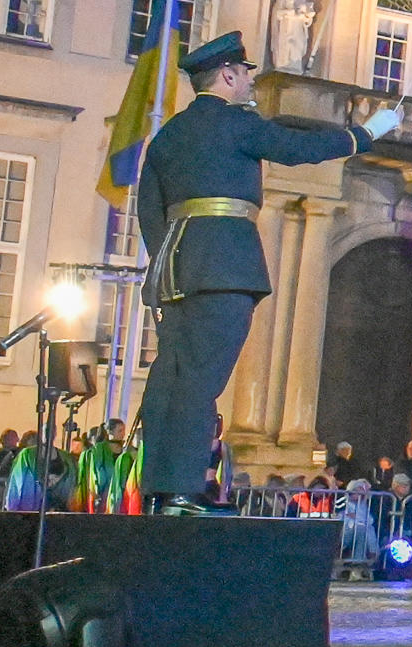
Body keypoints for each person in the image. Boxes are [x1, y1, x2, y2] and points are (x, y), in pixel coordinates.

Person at [133, 32, 395, 506]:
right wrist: (366, 133)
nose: (250, 80)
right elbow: (296, 148)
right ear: (228, 75)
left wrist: (171, 258)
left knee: (170, 380)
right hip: (226, 267)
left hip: (176, 269)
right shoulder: (236, 123)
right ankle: (181, 492)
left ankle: (158, 489)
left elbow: (149, 209)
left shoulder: (169, 133)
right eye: (246, 73)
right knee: (201, 383)